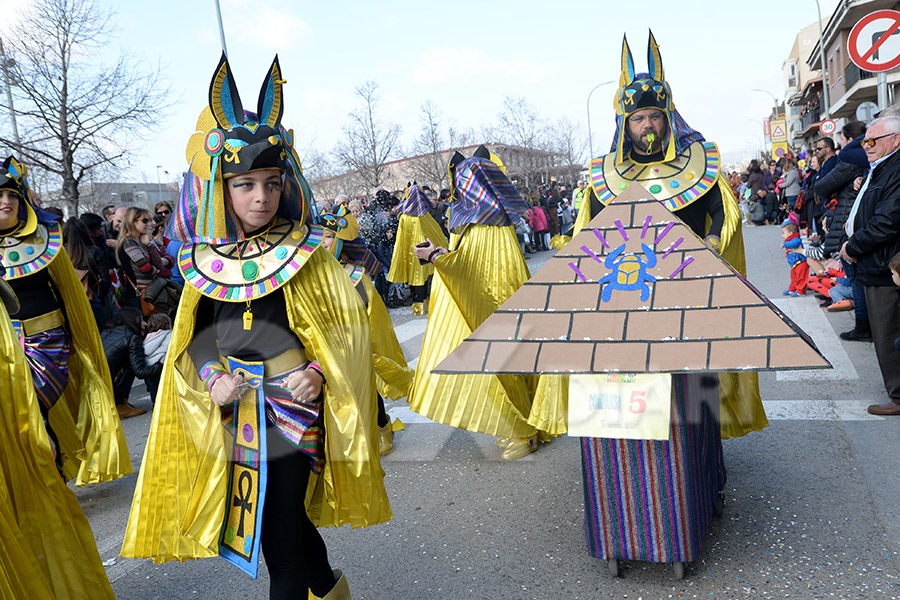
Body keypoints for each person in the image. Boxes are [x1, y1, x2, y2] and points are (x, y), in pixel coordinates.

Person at [121, 54, 390, 600]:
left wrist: (318, 371)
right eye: (245, 184)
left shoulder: (308, 250)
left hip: (293, 407)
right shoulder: (205, 259)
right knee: (284, 528)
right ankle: (332, 588)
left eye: (270, 182)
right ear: (224, 186)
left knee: (277, 543)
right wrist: (213, 372)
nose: (261, 197)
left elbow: (347, 328)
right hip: (236, 410)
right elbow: (195, 336)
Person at [575, 32, 766, 439]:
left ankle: (696, 455)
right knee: (633, 385)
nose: (647, 125)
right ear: (625, 124)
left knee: (690, 385)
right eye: (639, 118)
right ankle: (638, 470)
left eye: (655, 116)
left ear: (668, 118)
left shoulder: (699, 161)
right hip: (629, 292)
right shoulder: (602, 174)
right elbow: (590, 233)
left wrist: (710, 245)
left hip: (688, 289)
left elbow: (719, 213)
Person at [409, 147, 565, 460]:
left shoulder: (484, 223)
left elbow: (470, 269)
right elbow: (471, 263)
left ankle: (526, 432)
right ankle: (530, 428)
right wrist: (441, 253)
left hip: (493, 303)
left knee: (504, 362)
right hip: (495, 301)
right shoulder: (487, 220)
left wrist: (436, 256)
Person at [0, 156, 131, 486]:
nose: (6, 201)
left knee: (32, 410)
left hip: (49, 342)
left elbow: (70, 295)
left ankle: (49, 481)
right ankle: (43, 487)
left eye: (12, 195)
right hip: (5, 349)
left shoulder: (45, 238)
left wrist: (81, 345)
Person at [0, 272, 116, 598]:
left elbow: (68, 298)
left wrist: (36, 421)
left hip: (43, 352)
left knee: (39, 481)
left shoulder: (45, 242)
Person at [320, 205, 414, 454]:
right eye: (319, 236)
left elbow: (369, 313)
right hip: (324, 346)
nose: (323, 242)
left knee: (368, 391)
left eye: (329, 236)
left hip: (354, 342)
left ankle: (383, 429)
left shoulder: (355, 276)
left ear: (340, 240)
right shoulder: (311, 276)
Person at [839, 115, 900, 416]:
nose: (867, 146)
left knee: (887, 331)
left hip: (884, 263)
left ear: (895, 139)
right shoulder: (881, 167)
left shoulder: (895, 168)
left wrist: (853, 245)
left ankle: (899, 396)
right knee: (885, 329)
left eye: (873, 140)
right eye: (865, 141)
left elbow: (887, 221)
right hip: (878, 261)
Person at [386, 182, 448, 315]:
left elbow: (401, 236)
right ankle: (423, 303)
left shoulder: (406, 216)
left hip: (412, 251)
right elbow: (435, 230)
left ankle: (419, 305)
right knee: (422, 277)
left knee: (417, 277)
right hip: (426, 249)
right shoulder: (424, 214)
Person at [100, 307, 159, 417]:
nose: (145, 324)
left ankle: (119, 403)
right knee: (133, 362)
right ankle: (119, 404)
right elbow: (140, 371)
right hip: (109, 386)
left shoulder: (108, 332)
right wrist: (162, 366)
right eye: (141, 320)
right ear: (134, 321)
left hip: (97, 384)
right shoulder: (131, 338)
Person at [116, 206, 172, 311]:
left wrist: (148, 244)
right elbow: (147, 268)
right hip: (137, 295)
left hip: (149, 292)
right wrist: (157, 269)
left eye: (150, 220)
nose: (149, 224)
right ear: (133, 222)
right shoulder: (128, 242)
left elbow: (158, 263)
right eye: (145, 221)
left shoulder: (141, 242)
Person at [62, 216, 110, 328]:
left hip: (68, 301)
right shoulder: (94, 251)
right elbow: (105, 280)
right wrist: (100, 295)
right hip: (92, 297)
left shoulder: (60, 253)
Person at [781, 221, 808, 296]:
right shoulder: (790, 240)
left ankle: (800, 291)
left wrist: (785, 244)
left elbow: (795, 243)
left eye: (783, 233)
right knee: (794, 277)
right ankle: (793, 289)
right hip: (795, 263)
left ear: (790, 233)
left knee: (801, 277)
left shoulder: (796, 239)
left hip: (800, 262)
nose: (782, 235)